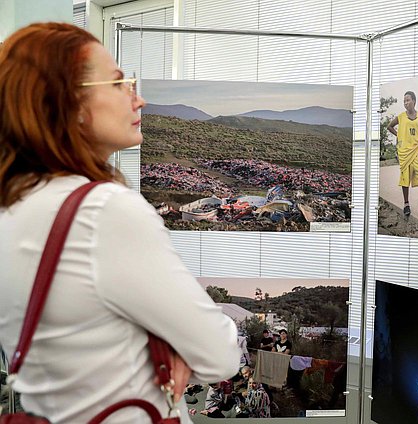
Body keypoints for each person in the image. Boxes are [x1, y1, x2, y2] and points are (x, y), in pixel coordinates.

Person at [0, 23, 240, 423]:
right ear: (66, 102)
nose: (139, 99)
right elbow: (221, 353)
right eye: (117, 83)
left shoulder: (14, 205)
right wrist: (180, 350)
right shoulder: (102, 211)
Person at [387, 91, 418, 216]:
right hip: (405, 152)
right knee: (405, 178)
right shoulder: (401, 116)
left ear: (414, 101)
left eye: (408, 100)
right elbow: (389, 126)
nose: (406, 103)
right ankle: (406, 204)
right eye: (404, 101)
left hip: (417, 151)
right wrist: (399, 135)